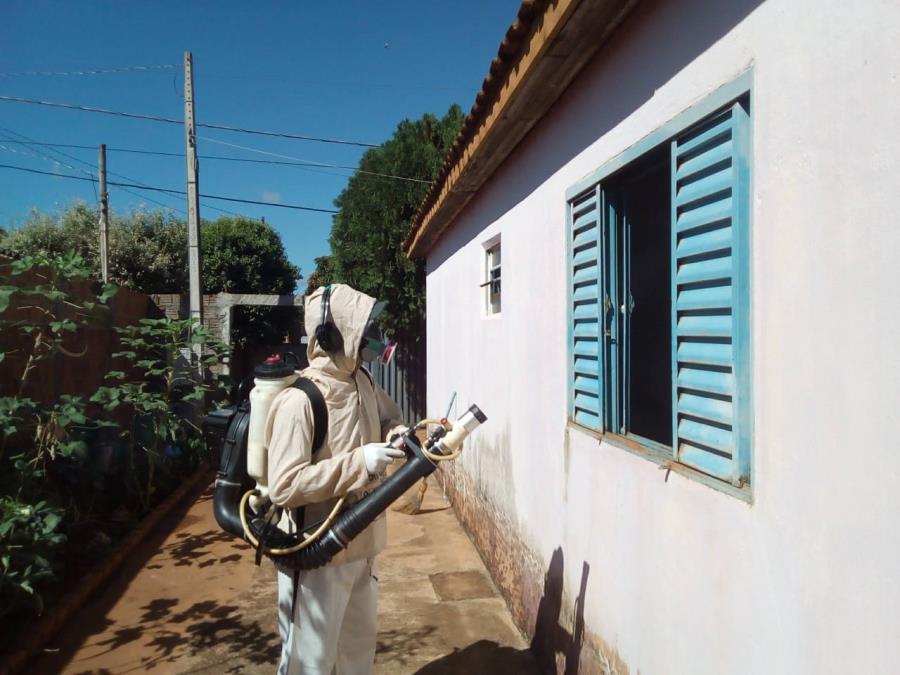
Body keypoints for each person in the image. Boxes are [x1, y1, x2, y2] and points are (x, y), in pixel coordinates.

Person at [265, 283, 407, 675]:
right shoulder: (300, 400)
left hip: (363, 544)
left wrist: (395, 433)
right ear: (332, 335)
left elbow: (389, 417)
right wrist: (360, 462)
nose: (372, 339)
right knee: (310, 662)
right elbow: (285, 484)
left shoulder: (363, 381)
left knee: (358, 652)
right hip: (317, 554)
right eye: (363, 329)